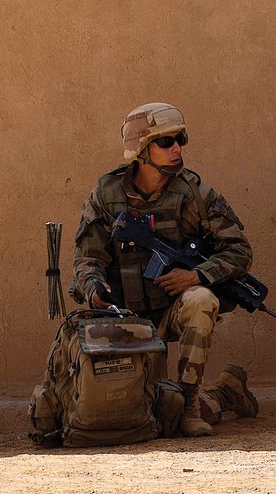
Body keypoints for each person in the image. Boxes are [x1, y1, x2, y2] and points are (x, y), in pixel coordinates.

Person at [72, 103, 260, 437]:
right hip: (124, 320)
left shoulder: (195, 194)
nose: (177, 148)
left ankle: (190, 404)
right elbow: (88, 259)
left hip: (171, 311)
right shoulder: (106, 195)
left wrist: (198, 275)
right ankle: (229, 393)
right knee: (141, 413)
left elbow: (239, 250)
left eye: (180, 139)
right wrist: (93, 288)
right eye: (166, 141)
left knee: (202, 299)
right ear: (141, 150)